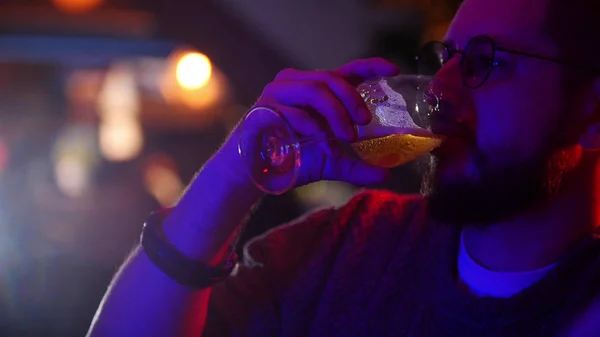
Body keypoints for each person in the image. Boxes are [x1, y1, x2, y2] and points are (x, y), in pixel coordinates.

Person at [87, 0, 600, 336]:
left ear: (592, 110)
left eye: (487, 61)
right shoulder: (349, 246)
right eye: (446, 58)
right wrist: (236, 171)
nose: (440, 90)